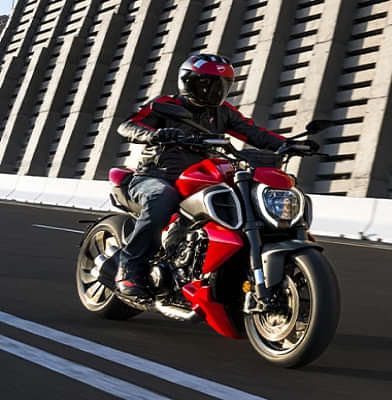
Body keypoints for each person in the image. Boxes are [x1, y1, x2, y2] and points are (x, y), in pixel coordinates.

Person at [115, 53, 315, 298]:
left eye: (222, 84)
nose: (214, 90)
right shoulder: (167, 104)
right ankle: (129, 269)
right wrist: (155, 135)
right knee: (161, 198)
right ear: (189, 82)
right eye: (207, 83)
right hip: (157, 175)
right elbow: (128, 125)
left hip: (200, 176)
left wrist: (289, 144)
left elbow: (254, 133)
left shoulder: (224, 112)